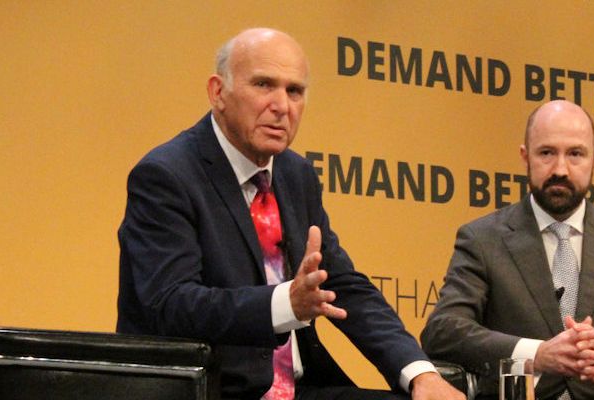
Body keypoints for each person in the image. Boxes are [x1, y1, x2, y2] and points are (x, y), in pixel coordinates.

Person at [116, 28, 464, 400]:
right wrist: (286, 304)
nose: (282, 106)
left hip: (301, 388)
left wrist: (419, 373)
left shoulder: (296, 175)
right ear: (218, 92)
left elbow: (343, 286)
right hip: (213, 389)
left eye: (294, 91)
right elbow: (171, 304)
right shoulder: (167, 175)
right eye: (263, 85)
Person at [420, 100, 594, 399]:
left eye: (575, 154)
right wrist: (536, 355)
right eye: (546, 153)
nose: (560, 169)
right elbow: (443, 330)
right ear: (525, 157)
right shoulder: (482, 239)